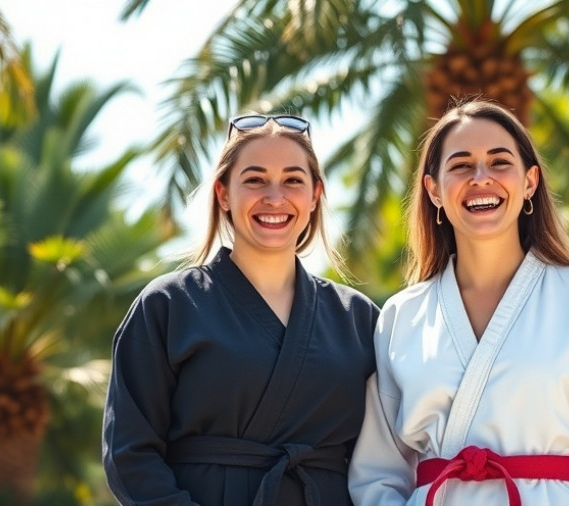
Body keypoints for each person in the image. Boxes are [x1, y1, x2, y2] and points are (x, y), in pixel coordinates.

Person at [348, 100, 569, 505]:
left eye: (499, 162)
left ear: (530, 182)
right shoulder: (402, 317)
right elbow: (378, 474)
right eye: (461, 165)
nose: (481, 178)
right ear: (434, 190)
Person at [102, 114, 379, 506]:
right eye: (254, 179)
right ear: (223, 193)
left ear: (315, 195)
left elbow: (385, 457)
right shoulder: (168, 305)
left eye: (293, 180)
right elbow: (129, 454)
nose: (275, 197)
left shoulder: (359, 319)